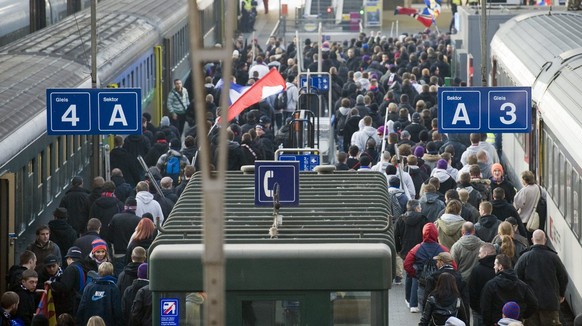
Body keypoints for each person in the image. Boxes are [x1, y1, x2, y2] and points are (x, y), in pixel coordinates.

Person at [514, 230, 568, 326]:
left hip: (530, 304)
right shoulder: (554, 257)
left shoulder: (524, 257)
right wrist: (561, 294)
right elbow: (563, 277)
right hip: (550, 304)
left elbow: (516, 278)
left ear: (532, 239)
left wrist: (522, 297)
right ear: (545, 240)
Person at [480, 254, 538, 326]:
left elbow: (485, 308)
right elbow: (533, 303)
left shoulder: (490, 285)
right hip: (516, 322)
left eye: (495, 264)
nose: (493, 267)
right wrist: (522, 315)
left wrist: (490, 322)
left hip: (497, 322)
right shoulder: (522, 285)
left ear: (500, 267)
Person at [404, 223, 449, 312]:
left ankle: (414, 305)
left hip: (422, 280)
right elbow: (452, 264)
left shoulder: (416, 248)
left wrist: (415, 273)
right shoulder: (443, 249)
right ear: (436, 233)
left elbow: (407, 264)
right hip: (438, 280)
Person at [468, 243, 497, 326]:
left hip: (479, 310)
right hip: (496, 310)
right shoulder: (499, 268)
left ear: (486, 253)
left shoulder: (477, 270)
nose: (478, 255)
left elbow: (472, 291)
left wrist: (474, 307)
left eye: (480, 253)